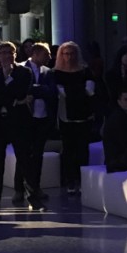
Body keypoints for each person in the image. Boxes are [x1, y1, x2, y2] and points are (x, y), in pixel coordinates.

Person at [0, 41, 38, 211]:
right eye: (3, 53)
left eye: (9, 52)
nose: (6, 56)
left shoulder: (25, 72)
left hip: (19, 122)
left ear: (15, 54)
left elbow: (21, 92)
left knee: (25, 160)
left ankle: (33, 198)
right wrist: (15, 101)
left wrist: (12, 95)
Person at [12, 42, 55, 208]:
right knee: (23, 155)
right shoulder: (21, 69)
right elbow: (23, 90)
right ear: (35, 54)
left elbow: (50, 92)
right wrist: (39, 90)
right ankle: (19, 189)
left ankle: (36, 187)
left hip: (42, 118)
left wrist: (36, 90)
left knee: (38, 155)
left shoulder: (48, 72)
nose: (49, 57)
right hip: (25, 118)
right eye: (46, 54)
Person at [50, 41, 96, 194]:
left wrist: (72, 92)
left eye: (72, 54)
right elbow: (61, 93)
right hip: (66, 116)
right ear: (61, 55)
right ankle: (70, 180)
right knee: (68, 149)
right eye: (66, 54)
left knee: (83, 149)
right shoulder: (56, 73)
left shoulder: (85, 71)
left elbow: (90, 91)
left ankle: (83, 181)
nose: (69, 57)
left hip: (84, 115)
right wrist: (77, 91)